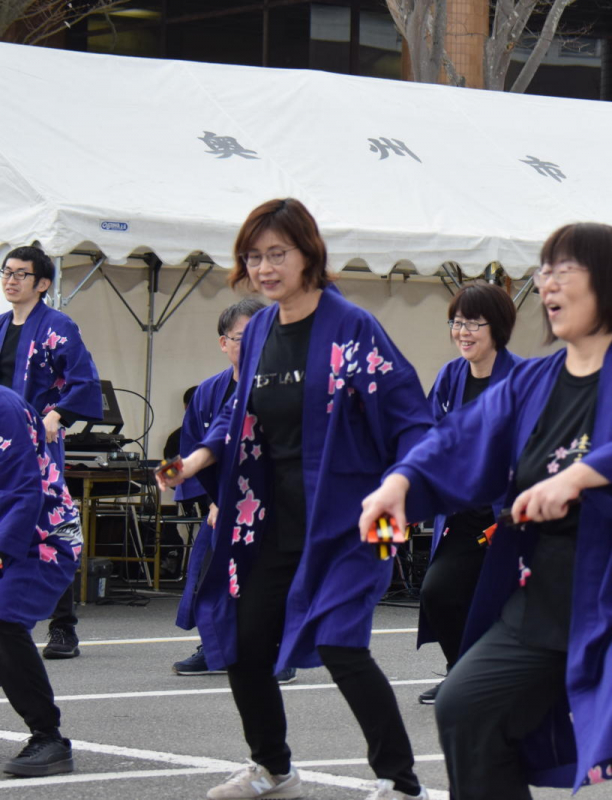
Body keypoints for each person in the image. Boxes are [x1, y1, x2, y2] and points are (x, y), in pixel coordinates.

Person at [360, 222, 612, 799]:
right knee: (465, 706)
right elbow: (460, 439)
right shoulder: (534, 381)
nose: (546, 284)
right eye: (544, 271)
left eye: (563, 271)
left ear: (609, 284)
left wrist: (576, 475)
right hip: (549, 593)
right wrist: (399, 483)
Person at [156, 198, 432, 800]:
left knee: (342, 643)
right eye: (254, 257)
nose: (264, 268)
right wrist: (193, 461)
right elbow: (237, 415)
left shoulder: (351, 326)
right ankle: (273, 769)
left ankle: (399, 780)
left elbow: (411, 416)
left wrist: (401, 487)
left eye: (277, 253)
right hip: (275, 521)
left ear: (309, 252)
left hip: (361, 519)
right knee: (246, 645)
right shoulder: (257, 330)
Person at [416, 283, 521, 705]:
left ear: (497, 327)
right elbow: (430, 437)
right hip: (462, 514)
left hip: (509, 515)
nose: (463, 332)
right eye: (457, 323)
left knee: (505, 604)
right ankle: (463, 673)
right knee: (437, 592)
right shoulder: (450, 376)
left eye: (474, 323)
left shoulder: (522, 379)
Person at [171, 298, 286, 680]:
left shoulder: (283, 386)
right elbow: (196, 445)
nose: (248, 345)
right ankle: (214, 647)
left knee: (267, 580)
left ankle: (277, 652)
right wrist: (214, 500)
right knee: (208, 572)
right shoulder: (208, 392)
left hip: (277, 502)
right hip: (224, 503)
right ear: (224, 343)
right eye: (239, 338)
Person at [0, 245, 102, 661]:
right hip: (1, 443)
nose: (11, 280)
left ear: (43, 283)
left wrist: (55, 416)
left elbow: (85, 382)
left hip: (36, 447)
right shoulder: (1, 325)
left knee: (47, 530)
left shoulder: (59, 326)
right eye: (7, 272)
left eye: (21, 274)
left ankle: (63, 629)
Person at [0, 385, 84, 776]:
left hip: (42, 533)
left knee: (2, 619)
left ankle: (48, 736)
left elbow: (23, 490)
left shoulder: (4, 407)